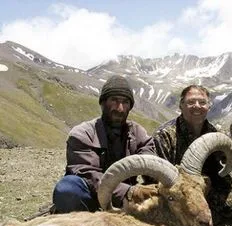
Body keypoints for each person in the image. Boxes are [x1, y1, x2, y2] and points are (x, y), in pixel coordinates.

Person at [52, 75, 155, 213]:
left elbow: (152, 164)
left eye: (125, 102)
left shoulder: (138, 132)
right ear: (102, 103)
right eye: (114, 100)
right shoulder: (82, 134)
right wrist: (130, 192)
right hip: (91, 197)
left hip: (127, 202)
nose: (120, 108)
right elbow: (88, 176)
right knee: (67, 189)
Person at [153, 85, 232, 225]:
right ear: (181, 105)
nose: (197, 106)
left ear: (209, 107)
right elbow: (158, 177)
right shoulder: (165, 135)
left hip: (211, 194)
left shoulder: (216, 133)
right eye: (191, 102)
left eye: (202, 102)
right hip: (180, 198)